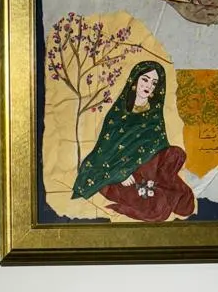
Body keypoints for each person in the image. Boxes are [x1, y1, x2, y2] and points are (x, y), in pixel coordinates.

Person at [70, 60, 195, 222]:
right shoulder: (118, 113)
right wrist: (120, 174)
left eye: (154, 83)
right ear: (135, 80)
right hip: (120, 173)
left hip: (150, 169)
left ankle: (158, 186)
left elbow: (159, 145)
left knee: (185, 201)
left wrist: (156, 166)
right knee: (157, 208)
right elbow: (105, 151)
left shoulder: (154, 113)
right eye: (145, 79)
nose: (149, 86)